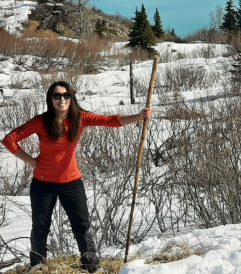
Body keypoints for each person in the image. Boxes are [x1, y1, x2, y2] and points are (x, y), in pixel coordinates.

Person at [1, 81, 153, 273]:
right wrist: (31, 161)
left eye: (66, 95)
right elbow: (9, 139)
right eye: (57, 96)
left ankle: (91, 266)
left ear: (72, 98)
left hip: (71, 183)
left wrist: (139, 116)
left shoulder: (80, 118)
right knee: (40, 227)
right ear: (50, 99)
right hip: (43, 184)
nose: (62, 99)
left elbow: (111, 120)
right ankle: (37, 268)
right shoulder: (41, 121)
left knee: (82, 225)